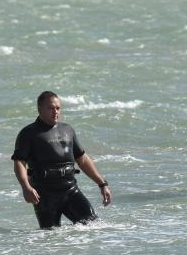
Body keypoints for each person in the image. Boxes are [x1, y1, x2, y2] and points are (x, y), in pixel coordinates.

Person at [12, 91, 112, 229]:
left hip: (70, 191)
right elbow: (19, 163)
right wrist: (26, 187)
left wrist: (102, 184)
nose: (55, 112)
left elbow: (82, 159)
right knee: (51, 238)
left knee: (94, 227)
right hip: (45, 196)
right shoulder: (28, 133)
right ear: (39, 109)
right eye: (50, 108)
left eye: (58, 108)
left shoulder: (67, 130)